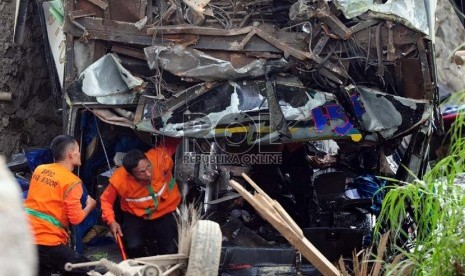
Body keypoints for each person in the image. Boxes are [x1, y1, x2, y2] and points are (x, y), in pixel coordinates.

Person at [24, 135, 97, 276]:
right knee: (85, 270)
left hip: (27, 235)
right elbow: (76, 219)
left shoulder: (39, 170)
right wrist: (90, 206)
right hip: (48, 240)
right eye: (78, 150)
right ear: (71, 153)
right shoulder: (72, 181)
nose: (80, 154)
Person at [100, 138, 181, 258]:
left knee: (171, 248)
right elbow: (105, 200)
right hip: (136, 215)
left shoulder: (159, 158)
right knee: (133, 247)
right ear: (131, 175)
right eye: (141, 172)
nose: (148, 174)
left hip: (165, 211)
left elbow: (173, 140)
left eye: (148, 167)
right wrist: (111, 221)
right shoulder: (120, 179)